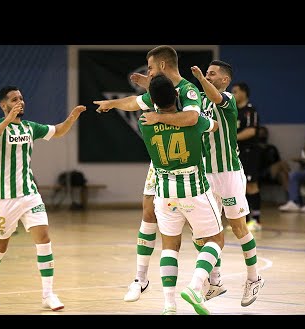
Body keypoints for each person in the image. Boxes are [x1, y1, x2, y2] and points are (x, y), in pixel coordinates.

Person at [94, 45, 225, 303]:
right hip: (162, 166)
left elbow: (190, 119)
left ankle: (214, 277)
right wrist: (111, 103)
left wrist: (157, 118)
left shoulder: (187, 91)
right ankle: (140, 279)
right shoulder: (160, 91)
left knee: (200, 232)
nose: (149, 72)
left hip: (188, 163)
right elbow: (135, 102)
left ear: (163, 65)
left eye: (151, 67)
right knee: (147, 212)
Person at [0, 85, 86, 310]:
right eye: (14, 99)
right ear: (4, 105)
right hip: (3, 198)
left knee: (44, 238)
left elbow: (58, 131)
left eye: (21, 98)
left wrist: (72, 117)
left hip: (29, 194)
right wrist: (7, 120)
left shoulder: (30, 128)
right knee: (0, 246)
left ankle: (48, 294)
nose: (20, 101)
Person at [138, 74, 223, 315]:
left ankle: (169, 305)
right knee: (216, 241)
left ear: (153, 101)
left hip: (164, 193)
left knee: (169, 248)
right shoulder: (194, 121)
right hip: (194, 189)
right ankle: (196, 286)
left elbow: (159, 112)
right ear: (177, 95)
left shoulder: (144, 121)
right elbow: (213, 126)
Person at [191, 61, 265, 307]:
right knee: (203, 233)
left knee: (238, 227)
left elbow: (213, 94)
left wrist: (201, 79)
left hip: (229, 174)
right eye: (206, 73)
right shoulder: (199, 99)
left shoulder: (228, 100)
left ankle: (254, 278)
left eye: (212, 74)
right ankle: (215, 282)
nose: (208, 76)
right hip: (205, 174)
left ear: (225, 80)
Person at [231, 82, 262, 232]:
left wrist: (232, 138)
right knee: (239, 187)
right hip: (237, 153)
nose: (233, 94)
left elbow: (251, 131)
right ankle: (244, 220)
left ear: (244, 93)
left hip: (250, 152)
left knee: (251, 185)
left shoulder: (250, 111)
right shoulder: (233, 110)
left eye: (235, 91)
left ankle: (256, 220)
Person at [257, 125, 291, 202]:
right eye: (260, 134)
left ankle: (291, 200)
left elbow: (277, 160)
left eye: (264, 134)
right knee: (282, 164)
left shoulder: (272, 148)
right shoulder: (254, 148)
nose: (262, 136)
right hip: (261, 173)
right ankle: (294, 185)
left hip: (273, 172)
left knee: (283, 174)